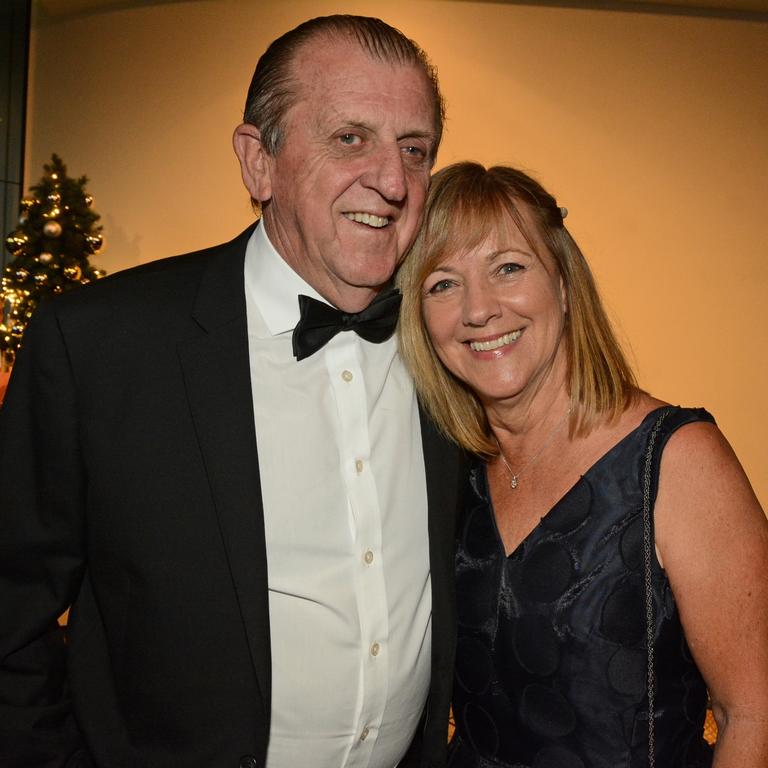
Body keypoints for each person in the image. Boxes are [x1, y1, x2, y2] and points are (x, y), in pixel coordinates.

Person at [0, 16, 467, 768]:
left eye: (414, 149)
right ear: (259, 162)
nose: (392, 181)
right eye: (351, 138)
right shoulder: (100, 346)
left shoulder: (450, 340)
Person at [396, 161, 768, 768]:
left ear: (564, 286)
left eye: (508, 268)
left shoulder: (674, 459)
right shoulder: (445, 475)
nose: (478, 310)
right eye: (443, 283)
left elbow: (753, 712)